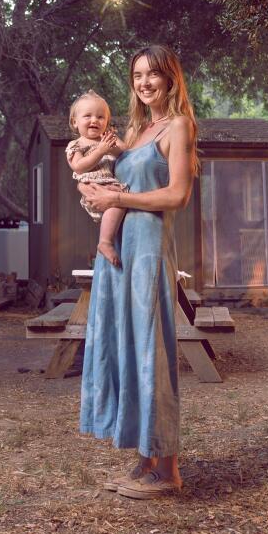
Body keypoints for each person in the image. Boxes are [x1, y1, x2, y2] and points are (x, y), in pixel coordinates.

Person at [77, 44, 198, 500]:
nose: (145, 82)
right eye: (137, 75)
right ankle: (144, 458)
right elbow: (110, 179)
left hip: (148, 251)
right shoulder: (137, 130)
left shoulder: (178, 127)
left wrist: (117, 200)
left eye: (154, 74)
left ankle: (168, 469)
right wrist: (95, 190)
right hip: (118, 255)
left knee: (151, 351)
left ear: (170, 79)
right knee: (125, 348)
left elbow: (177, 195)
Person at [65, 91, 127, 267]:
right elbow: (78, 166)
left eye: (101, 117)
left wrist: (113, 145)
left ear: (107, 122)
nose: (94, 120)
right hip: (94, 186)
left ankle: (109, 240)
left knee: (119, 201)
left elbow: (126, 153)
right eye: (88, 116)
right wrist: (100, 150)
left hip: (110, 184)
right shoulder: (77, 144)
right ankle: (105, 242)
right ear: (75, 122)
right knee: (118, 202)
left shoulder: (106, 140)